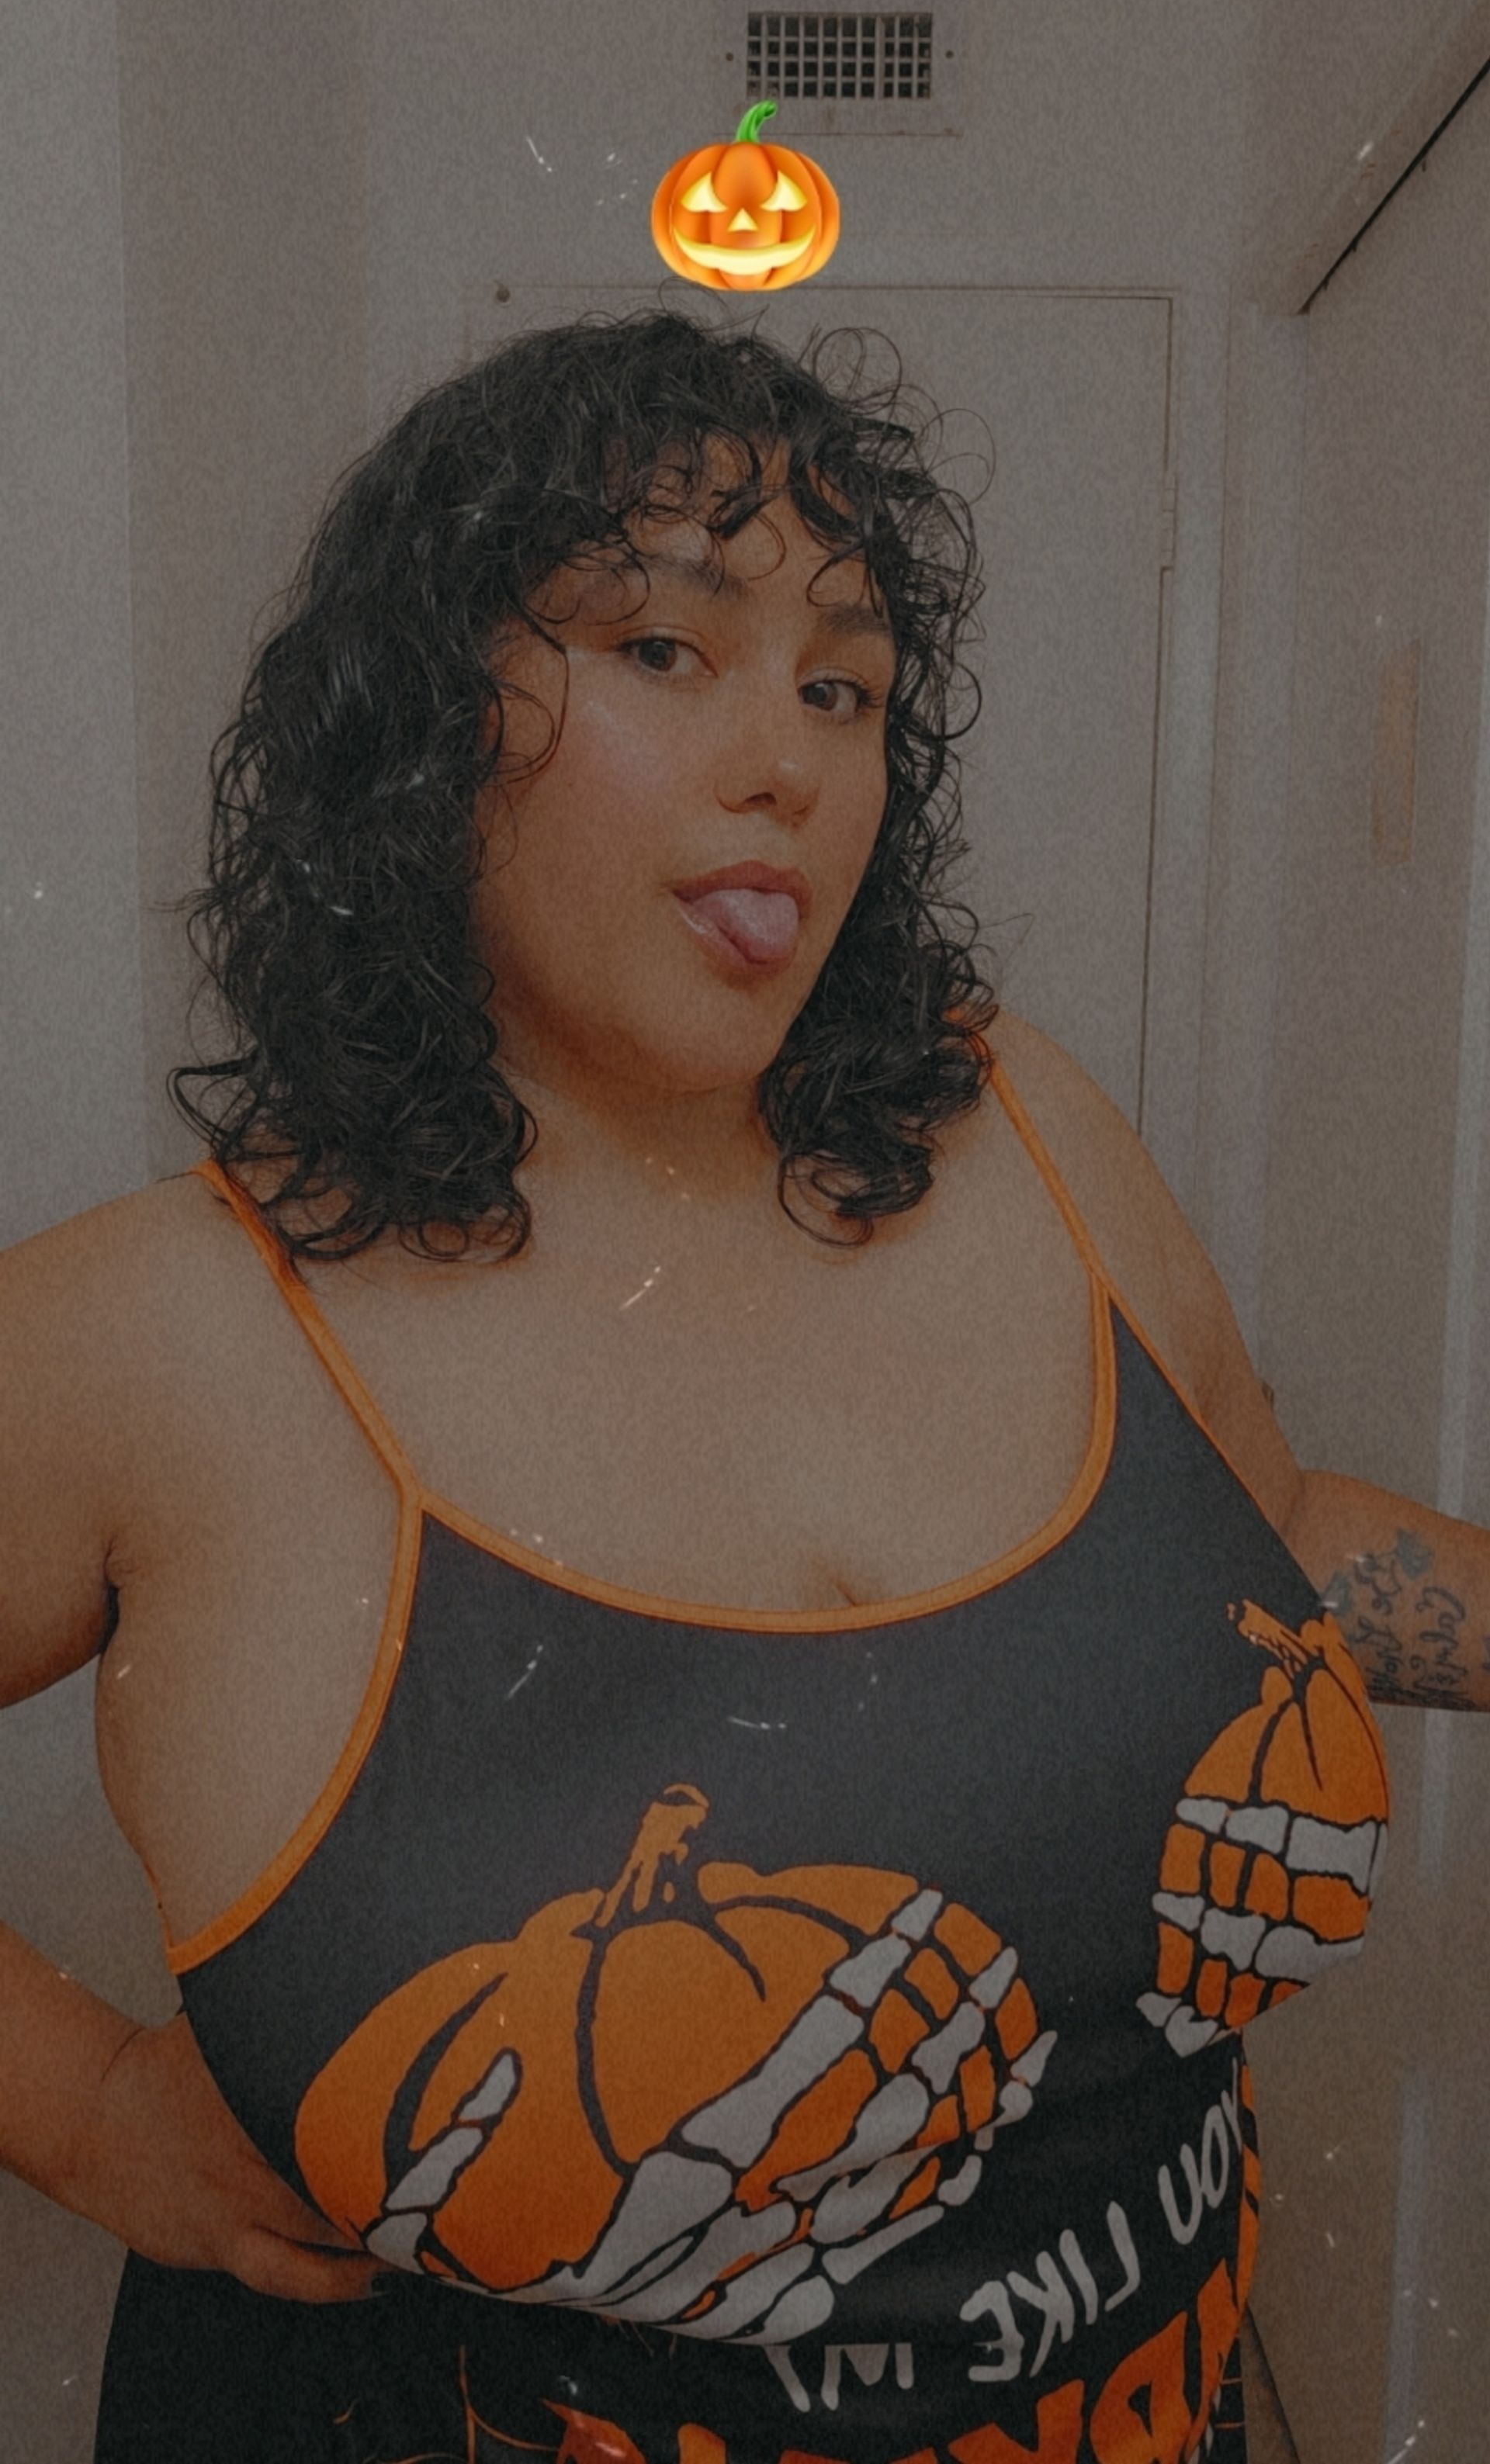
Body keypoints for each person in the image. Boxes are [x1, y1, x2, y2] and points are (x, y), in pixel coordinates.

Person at [0, 305, 1481, 2464]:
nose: (789, 757)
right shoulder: (168, 1330)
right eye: (665, 647)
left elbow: (1258, 1542)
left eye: (841, 685)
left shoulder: (1019, 1123)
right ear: (413, 726)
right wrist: (84, 2110)